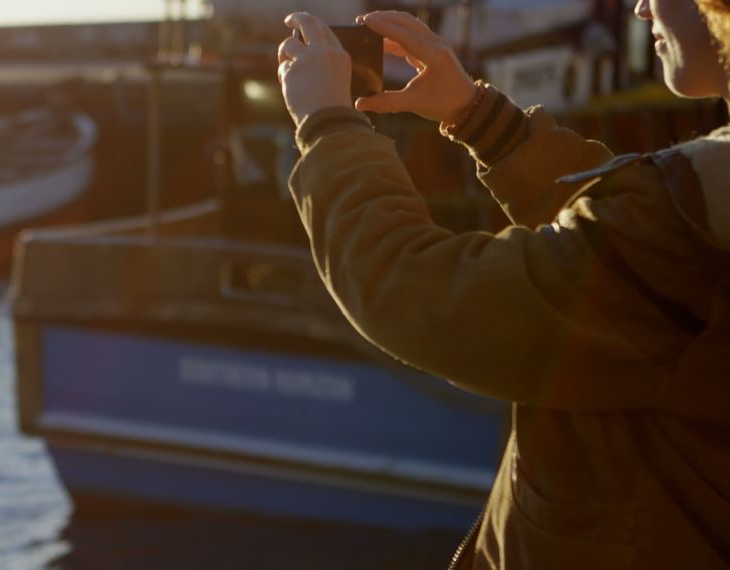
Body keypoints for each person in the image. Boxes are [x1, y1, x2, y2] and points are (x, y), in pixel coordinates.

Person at [277, 2, 729, 569]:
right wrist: (475, 116)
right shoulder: (692, 210)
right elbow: (616, 274)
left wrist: (327, 126)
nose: (639, 5)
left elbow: (420, 296)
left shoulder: (687, 221)